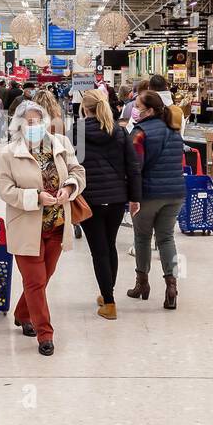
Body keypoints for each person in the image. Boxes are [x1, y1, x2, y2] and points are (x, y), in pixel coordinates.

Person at [0, 100, 86, 356]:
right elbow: (6, 191)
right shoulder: (7, 153)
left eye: (38, 120)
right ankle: (45, 333)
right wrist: (35, 197)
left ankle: (23, 313)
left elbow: (77, 171)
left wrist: (69, 187)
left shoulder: (61, 145)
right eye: (28, 122)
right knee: (34, 282)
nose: (34, 126)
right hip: (26, 227)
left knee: (43, 278)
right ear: (19, 125)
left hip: (57, 224)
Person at [78, 87, 141, 320]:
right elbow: (132, 167)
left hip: (90, 199)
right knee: (110, 245)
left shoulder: (79, 131)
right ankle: (107, 294)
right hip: (116, 199)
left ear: (85, 108)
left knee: (98, 251)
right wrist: (135, 198)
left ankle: (110, 301)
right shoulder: (120, 132)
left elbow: (74, 164)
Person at [127, 90, 185, 311]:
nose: (135, 110)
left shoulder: (140, 133)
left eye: (138, 106)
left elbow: (135, 168)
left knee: (142, 237)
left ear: (149, 110)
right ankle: (171, 287)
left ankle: (142, 284)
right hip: (175, 193)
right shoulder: (174, 130)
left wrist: (132, 197)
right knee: (166, 238)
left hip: (149, 194)